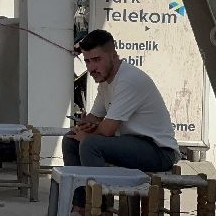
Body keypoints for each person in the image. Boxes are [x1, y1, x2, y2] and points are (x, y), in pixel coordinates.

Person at [64, 29, 179, 213]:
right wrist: (82, 126)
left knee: (90, 144)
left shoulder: (128, 80)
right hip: (131, 144)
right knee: (70, 139)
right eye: (87, 61)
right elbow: (94, 117)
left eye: (97, 60)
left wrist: (87, 134)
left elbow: (107, 130)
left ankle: (97, 208)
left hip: (159, 151)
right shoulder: (106, 82)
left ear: (113, 55)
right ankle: (81, 205)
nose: (91, 68)